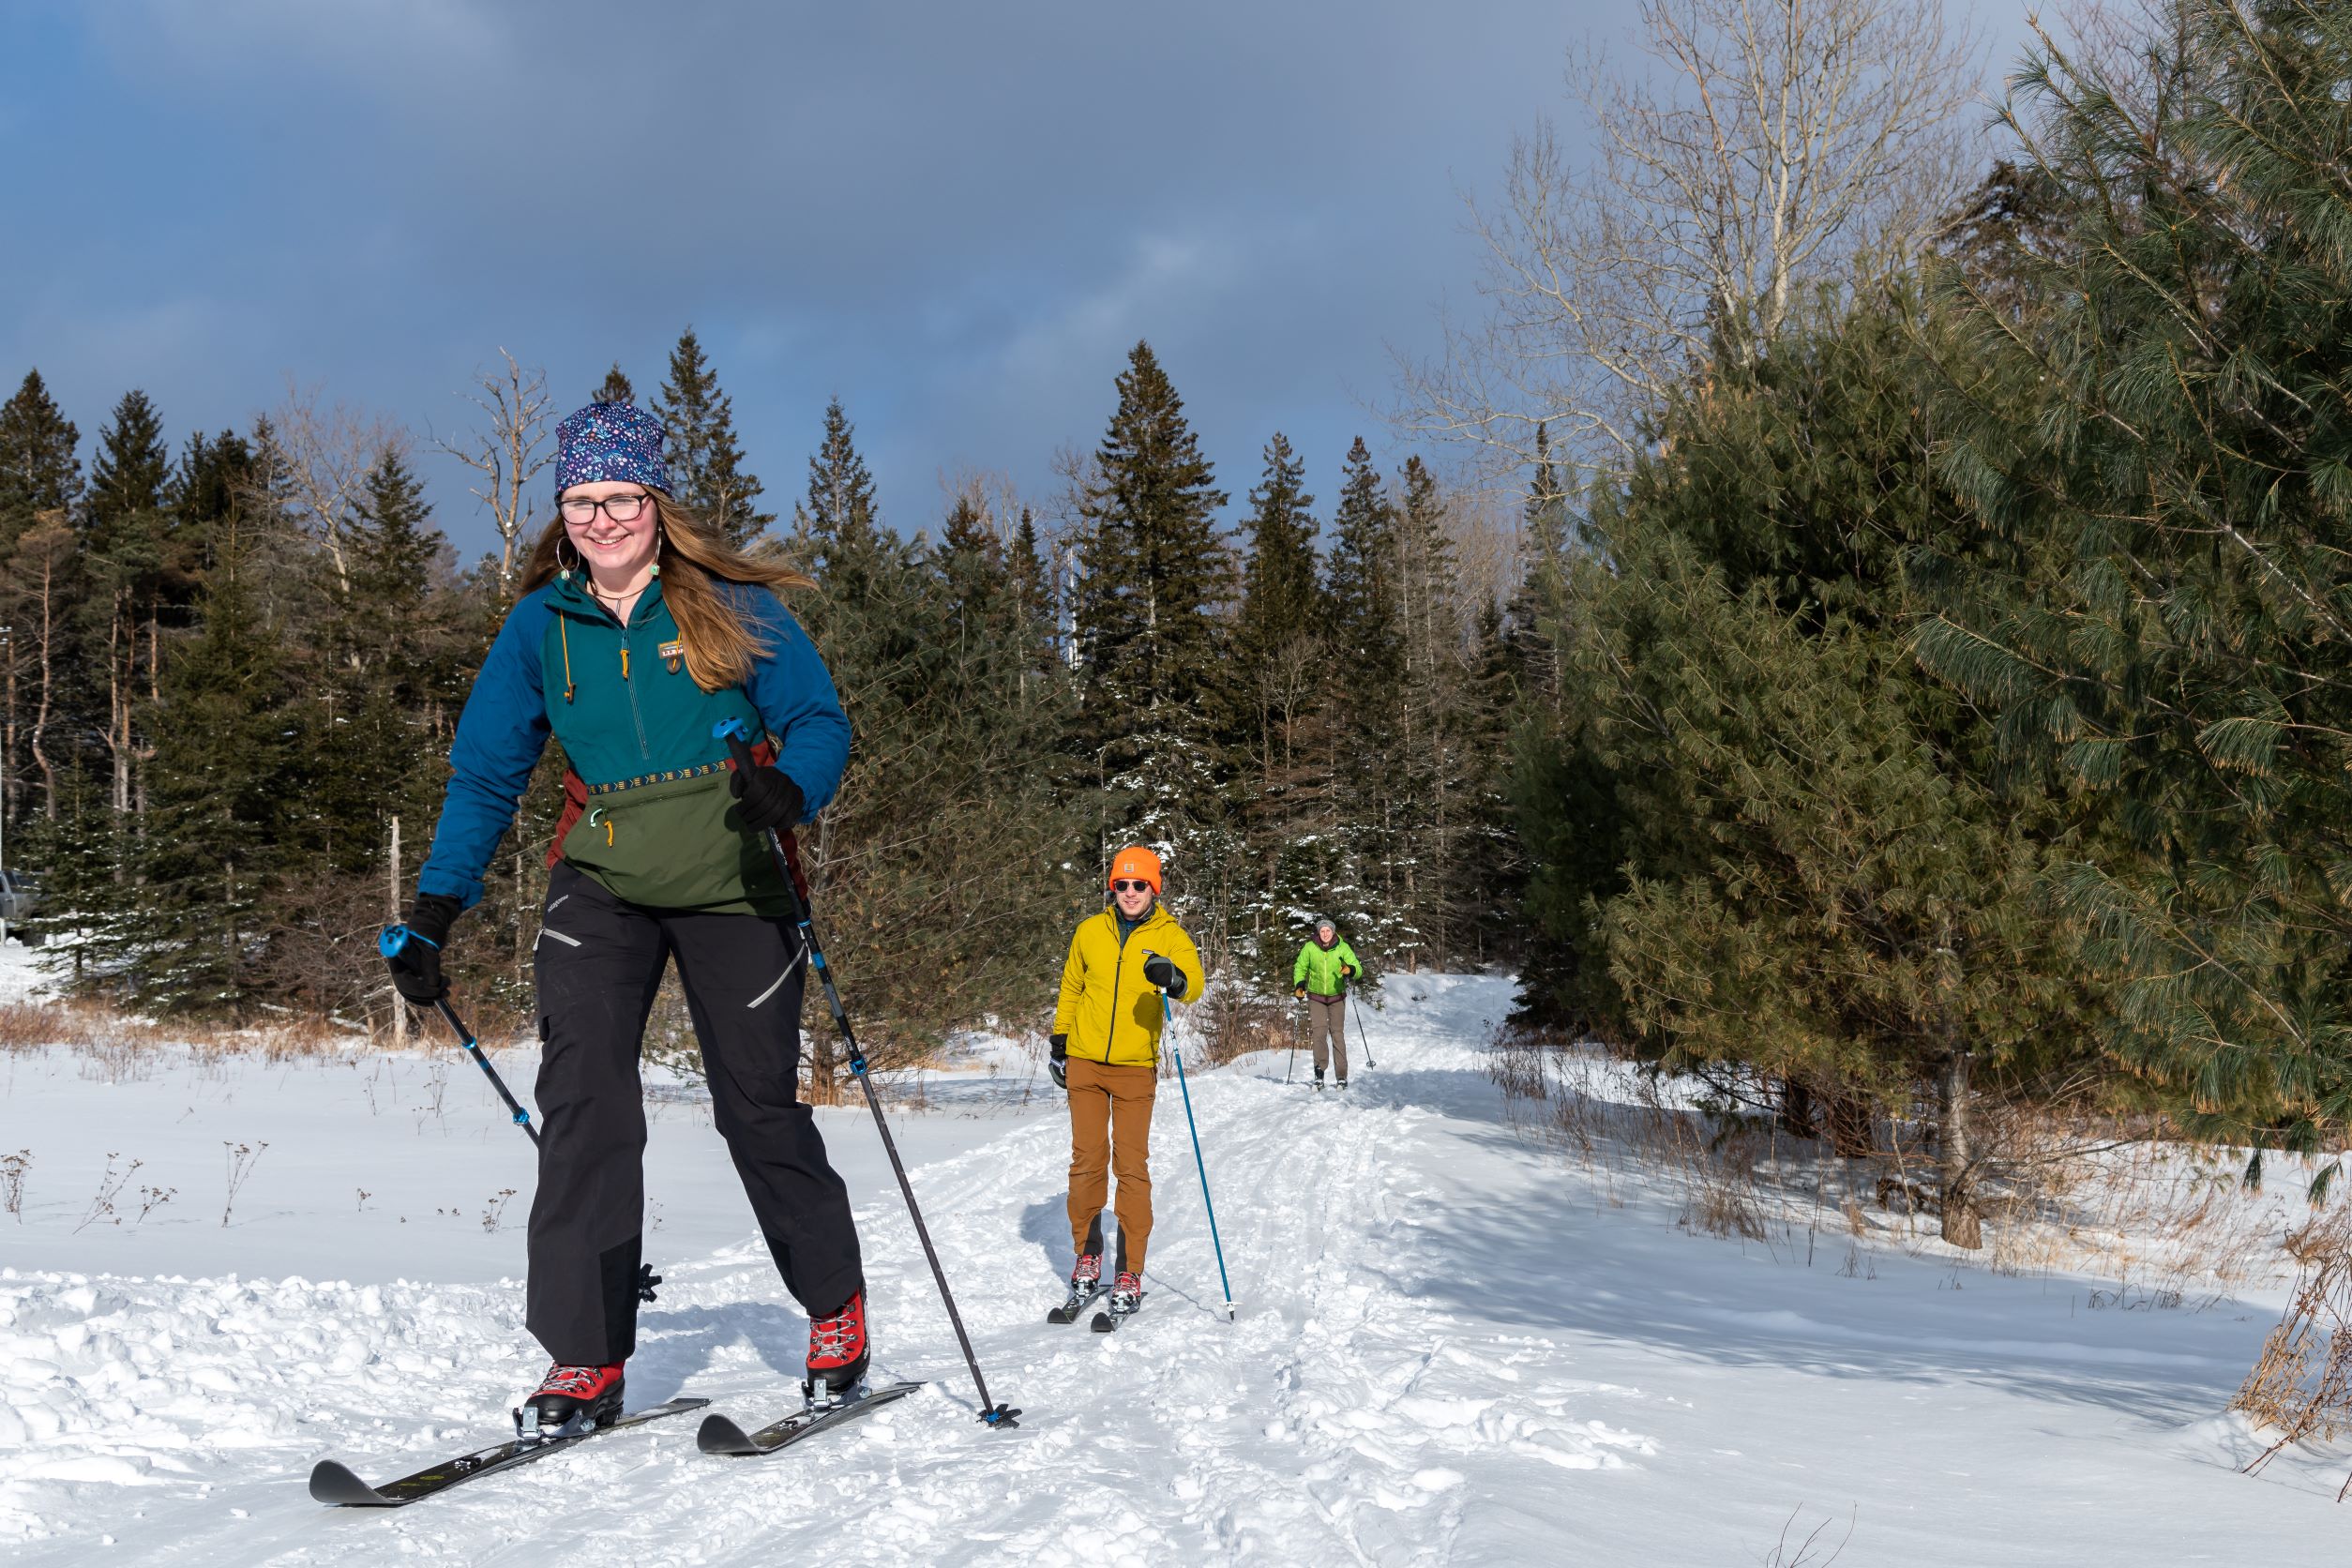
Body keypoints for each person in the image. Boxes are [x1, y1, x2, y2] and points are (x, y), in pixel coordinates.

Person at [384, 400, 870, 1429]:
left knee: (756, 1106)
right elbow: (484, 776)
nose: (601, 519)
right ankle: (584, 1357)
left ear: (655, 503)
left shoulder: (731, 605)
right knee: (586, 1107)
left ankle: (835, 1307)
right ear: (559, 509)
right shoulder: (540, 626)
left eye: (620, 498)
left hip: (735, 874)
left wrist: (796, 790)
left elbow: (820, 720)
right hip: (601, 877)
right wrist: (436, 906)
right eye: (580, 500)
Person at [1047, 845, 1206, 1318]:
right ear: (1111, 887)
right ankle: (1088, 1257)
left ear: (1154, 888)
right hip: (1085, 1064)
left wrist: (1172, 978)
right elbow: (1071, 986)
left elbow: (1194, 985)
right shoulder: (1089, 932)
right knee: (1086, 1163)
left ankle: (1130, 1269)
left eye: (1140, 885)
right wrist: (1060, 1040)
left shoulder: (1170, 935)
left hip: (1136, 1067)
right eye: (1122, 884)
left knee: (1131, 1167)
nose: (1131, 892)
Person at [1292, 916, 1364, 1088]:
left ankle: (1341, 1076)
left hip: (1337, 997)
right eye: (1322, 931)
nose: (1325, 934)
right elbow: (1300, 967)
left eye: (1328, 931)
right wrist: (1299, 984)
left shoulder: (1342, 947)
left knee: (1337, 1034)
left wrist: (1350, 970)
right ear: (1318, 932)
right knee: (1319, 1034)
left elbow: (1358, 969)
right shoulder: (1310, 947)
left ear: (1333, 932)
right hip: (1316, 997)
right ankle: (1319, 1072)